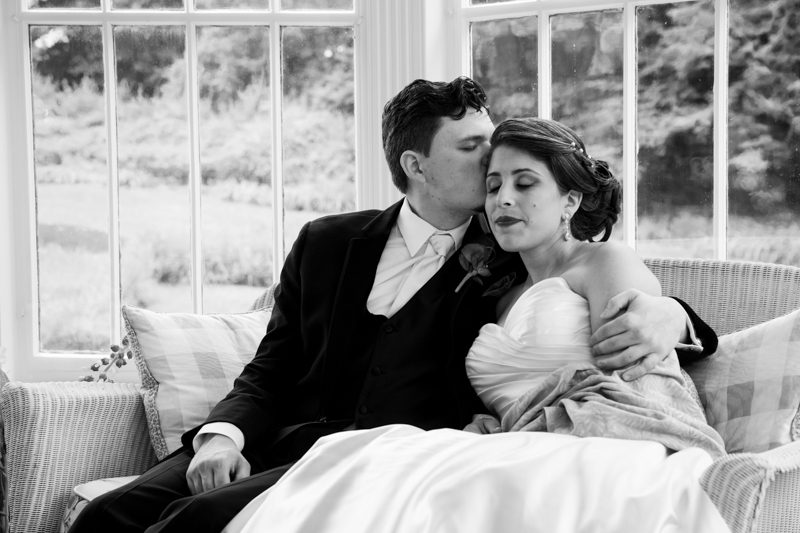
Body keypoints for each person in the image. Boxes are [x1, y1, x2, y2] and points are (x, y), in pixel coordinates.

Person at [70, 80, 717, 533]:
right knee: (106, 516)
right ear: (416, 164)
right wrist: (222, 436)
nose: (495, 171)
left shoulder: (504, 256)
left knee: (192, 523)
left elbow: (610, 305)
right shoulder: (327, 242)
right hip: (276, 439)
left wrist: (675, 316)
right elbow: (271, 365)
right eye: (476, 153)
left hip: (377, 458)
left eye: (507, 164)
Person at [229, 118, 727, 533]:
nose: (503, 199)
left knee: (426, 474)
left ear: (570, 201)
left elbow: (642, 371)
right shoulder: (496, 289)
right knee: (366, 458)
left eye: (525, 184)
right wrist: (488, 422)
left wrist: (675, 313)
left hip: (588, 444)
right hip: (505, 443)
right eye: (493, 186)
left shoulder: (602, 262)